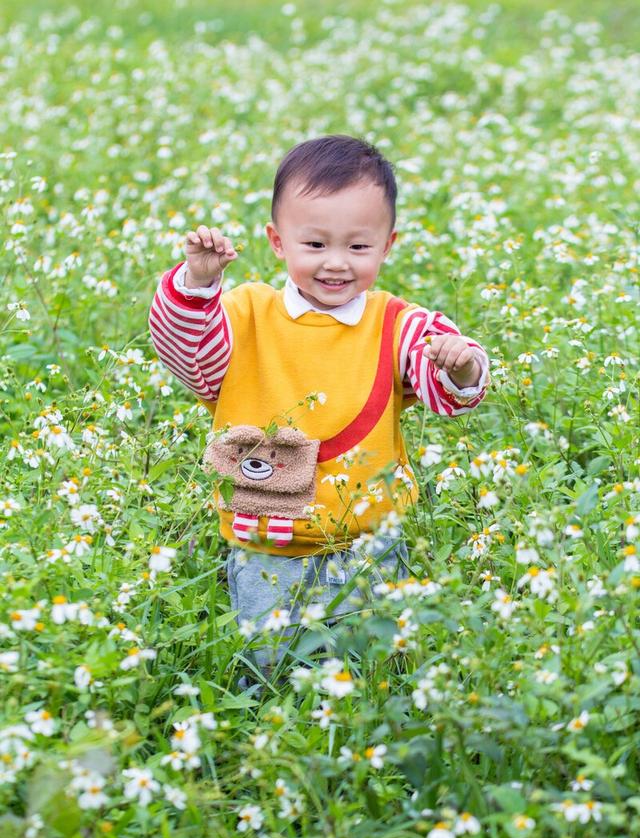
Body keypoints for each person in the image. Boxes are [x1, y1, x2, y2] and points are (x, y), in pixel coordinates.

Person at [148, 135, 490, 679]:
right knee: (269, 667)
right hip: (268, 540)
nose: (336, 264)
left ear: (387, 244)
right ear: (278, 242)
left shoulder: (395, 321)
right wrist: (198, 283)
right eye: (315, 245)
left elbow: (444, 386)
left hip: (369, 541)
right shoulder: (245, 313)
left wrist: (462, 364)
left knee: (372, 668)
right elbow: (188, 355)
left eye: (358, 247)